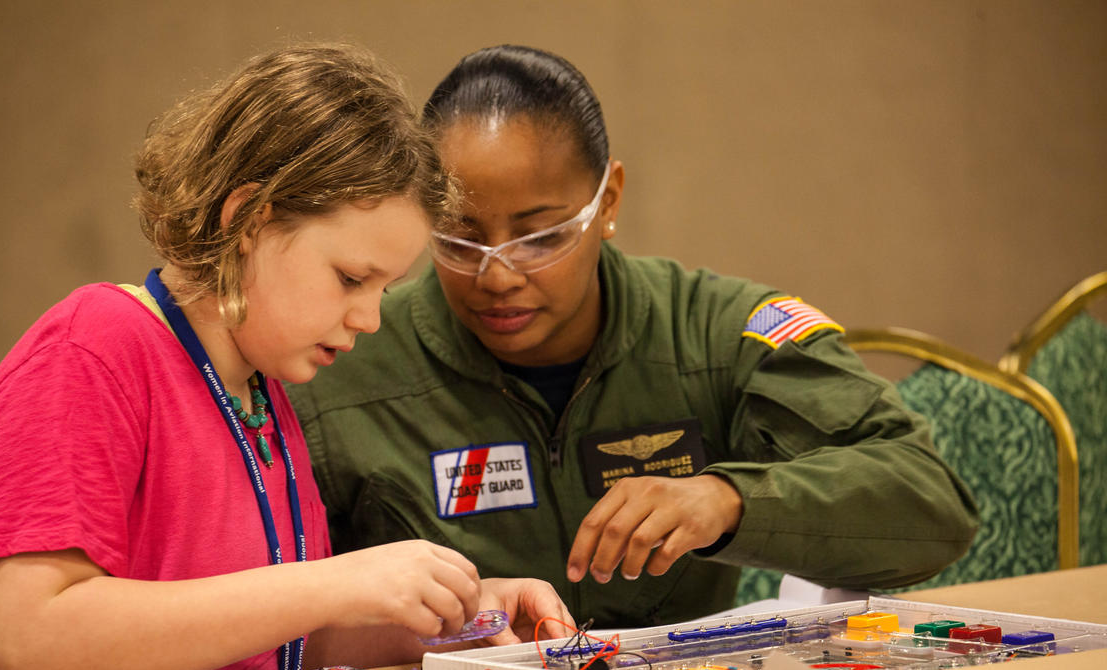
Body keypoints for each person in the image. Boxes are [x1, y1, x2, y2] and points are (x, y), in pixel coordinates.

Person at [0, 43, 572, 670]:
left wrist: (451, 620)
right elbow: (29, 643)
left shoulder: (260, 391)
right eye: (350, 278)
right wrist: (331, 582)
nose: (368, 319)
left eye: (385, 289)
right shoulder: (90, 349)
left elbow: (269, 647)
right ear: (247, 219)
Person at [288, 44, 979, 629]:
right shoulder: (343, 362)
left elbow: (932, 505)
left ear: (607, 202)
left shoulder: (716, 335)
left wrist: (730, 502)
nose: (498, 276)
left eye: (541, 236)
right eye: (460, 240)